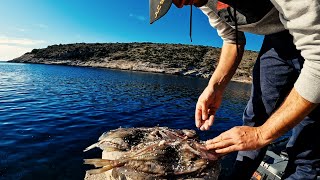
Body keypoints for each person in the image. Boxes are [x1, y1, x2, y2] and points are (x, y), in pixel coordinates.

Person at [149, 0, 320, 179]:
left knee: (308, 131)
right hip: (276, 40)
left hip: (315, 35)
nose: (179, 5)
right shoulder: (201, 1)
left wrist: (262, 134)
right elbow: (232, 39)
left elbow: (318, 61)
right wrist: (214, 87)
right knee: (256, 114)